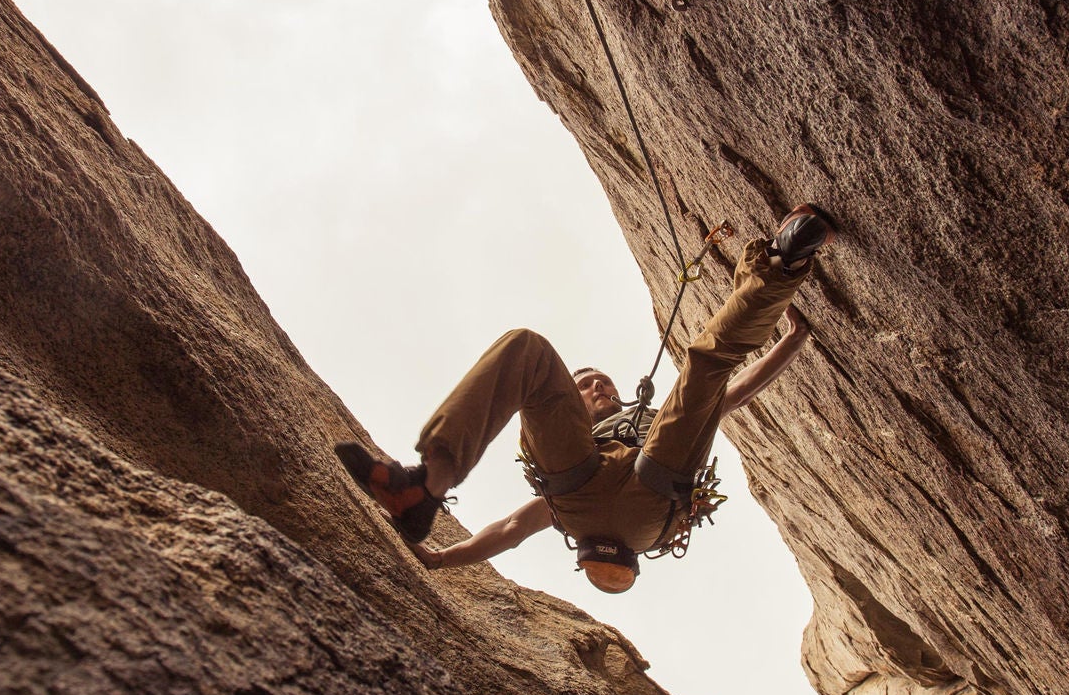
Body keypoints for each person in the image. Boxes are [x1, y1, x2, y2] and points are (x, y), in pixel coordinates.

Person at [335, 205, 835, 592]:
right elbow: (510, 526)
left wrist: (791, 341)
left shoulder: (655, 421)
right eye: (585, 384)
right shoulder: (565, 476)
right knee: (526, 348)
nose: (599, 386)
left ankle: (783, 261)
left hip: (642, 482)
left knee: (704, 369)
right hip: (629, 504)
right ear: (571, 404)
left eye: (605, 382)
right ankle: (428, 485)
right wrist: (442, 559)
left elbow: (734, 393)